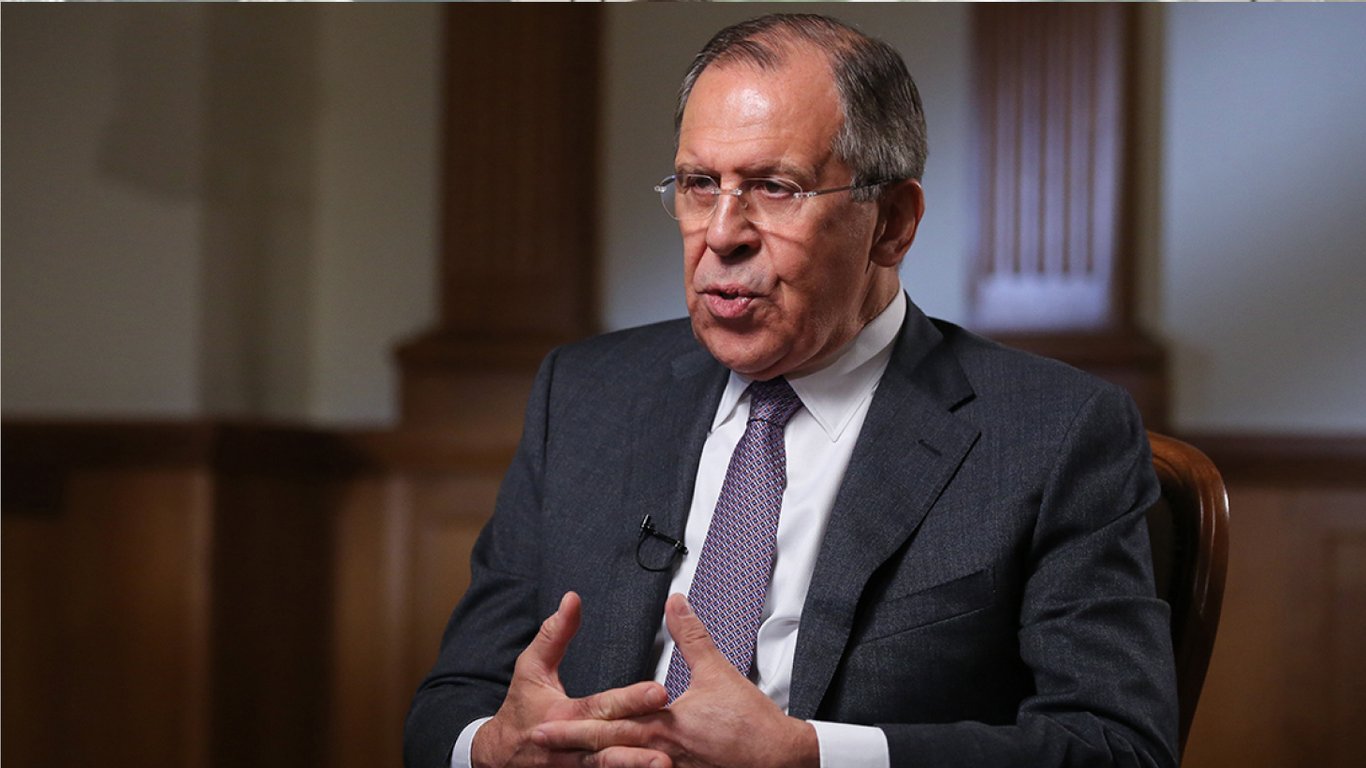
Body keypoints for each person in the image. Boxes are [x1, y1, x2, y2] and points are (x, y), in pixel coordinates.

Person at [405, 13, 1177, 768]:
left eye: (774, 188)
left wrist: (810, 756)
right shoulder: (584, 395)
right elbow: (452, 704)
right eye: (700, 184)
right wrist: (495, 747)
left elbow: (1118, 745)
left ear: (892, 224)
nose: (722, 234)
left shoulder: (1053, 433)